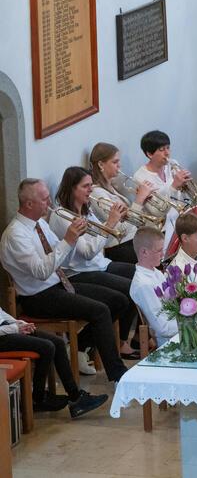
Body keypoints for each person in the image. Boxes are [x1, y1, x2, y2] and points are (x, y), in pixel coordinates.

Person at [0, 179, 127, 383]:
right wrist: (68, 240)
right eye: (44, 199)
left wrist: (76, 239)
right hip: (38, 296)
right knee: (100, 310)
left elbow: (62, 254)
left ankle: (78, 347)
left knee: (118, 300)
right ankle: (117, 373)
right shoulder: (15, 235)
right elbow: (41, 271)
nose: (49, 202)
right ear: (28, 204)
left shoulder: (40, 223)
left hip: (60, 284)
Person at [49, 167, 140, 361]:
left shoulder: (86, 208)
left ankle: (123, 340)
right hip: (78, 272)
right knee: (129, 291)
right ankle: (87, 344)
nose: (91, 190)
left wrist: (113, 224)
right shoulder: (61, 215)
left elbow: (103, 242)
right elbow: (87, 253)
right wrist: (109, 224)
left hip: (100, 264)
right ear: (72, 188)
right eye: (86, 186)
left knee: (142, 277)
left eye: (91, 185)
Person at [0, 305, 108, 418]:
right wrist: (15, 329)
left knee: (58, 343)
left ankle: (76, 397)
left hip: (7, 330)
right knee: (47, 347)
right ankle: (38, 398)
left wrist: (19, 323)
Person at [130, 227, 197, 346]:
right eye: (159, 250)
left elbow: (175, 306)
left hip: (182, 330)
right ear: (144, 252)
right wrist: (196, 324)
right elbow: (163, 328)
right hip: (172, 341)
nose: (162, 255)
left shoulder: (155, 272)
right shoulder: (143, 285)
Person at [88, 142, 157, 264]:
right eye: (115, 162)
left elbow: (130, 220)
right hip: (119, 248)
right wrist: (138, 201)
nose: (119, 166)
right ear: (100, 164)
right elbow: (120, 230)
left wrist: (143, 200)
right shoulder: (97, 193)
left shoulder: (111, 188)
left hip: (133, 240)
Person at [133, 130, 192, 217]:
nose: (167, 153)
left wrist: (185, 187)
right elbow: (156, 212)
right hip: (161, 225)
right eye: (162, 149)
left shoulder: (173, 164)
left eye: (168, 148)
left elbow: (184, 199)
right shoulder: (140, 177)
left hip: (180, 218)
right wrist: (174, 187)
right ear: (150, 154)